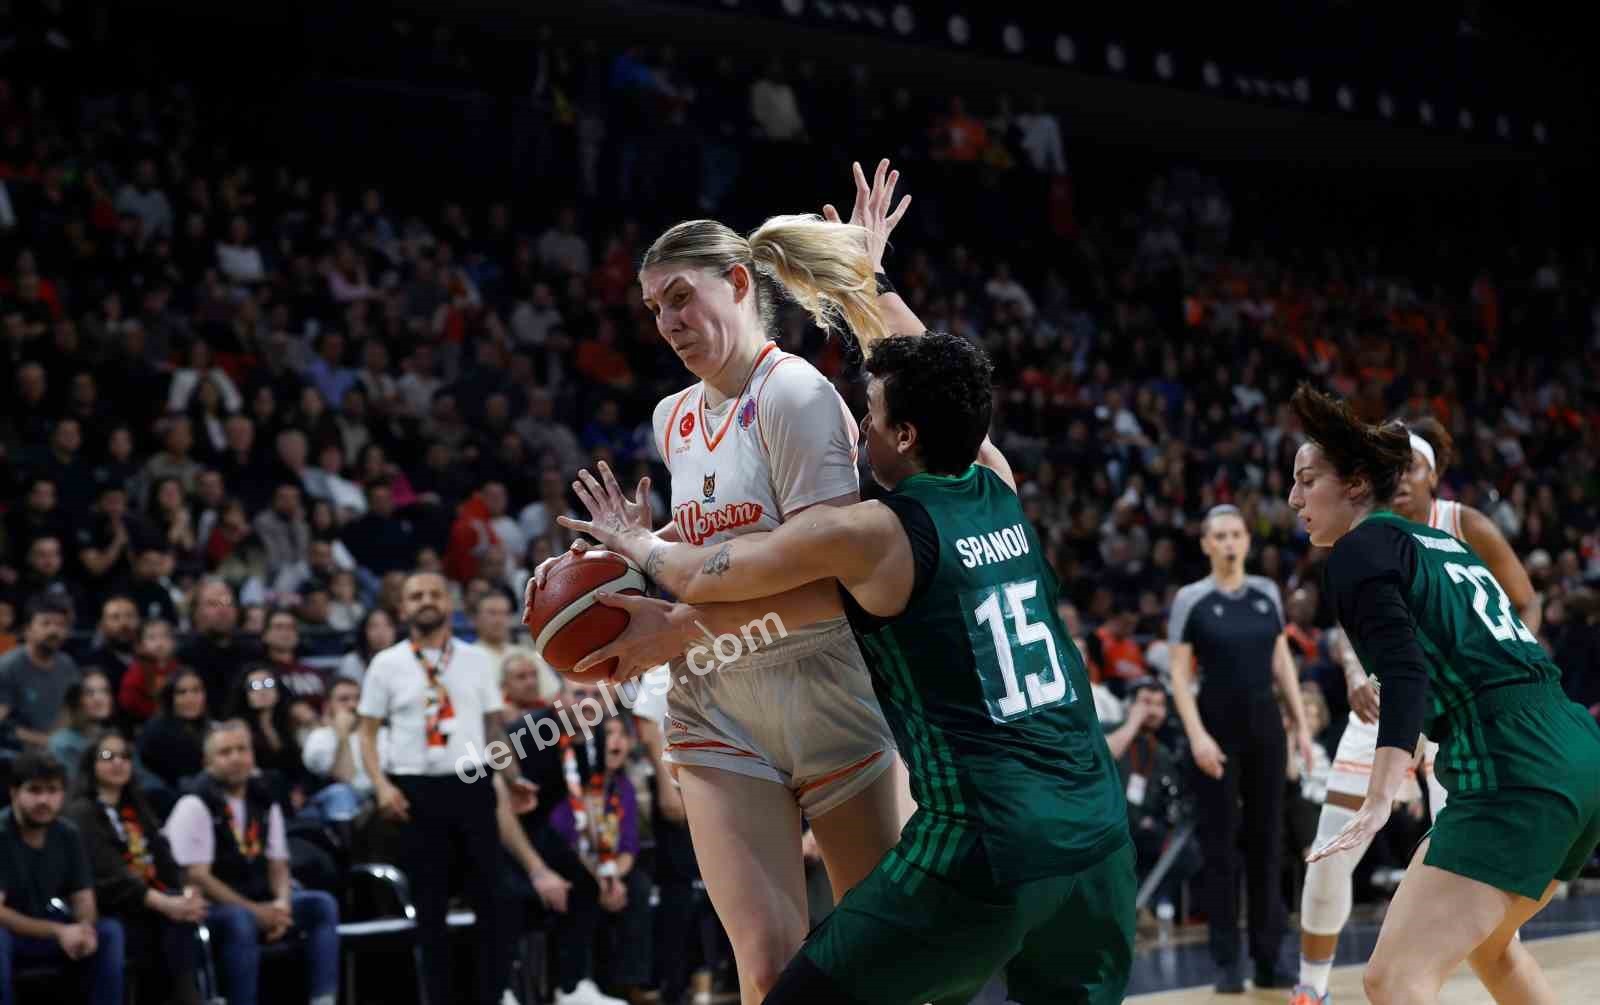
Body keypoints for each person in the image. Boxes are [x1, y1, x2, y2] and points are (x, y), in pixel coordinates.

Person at [555, 332, 1133, 1004]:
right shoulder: (999, 484)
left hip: (987, 840)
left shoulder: (870, 534)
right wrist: (871, 285)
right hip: (1099, 832)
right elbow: (955, 381)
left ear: (907, 435)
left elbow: (705, 577)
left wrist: (636, 543)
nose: (860, 425)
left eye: (872, 412)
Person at [533, 159, 925, 1004]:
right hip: (716, 701)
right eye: (654, 308)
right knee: (765, 968)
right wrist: (616, 564)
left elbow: (824, 583)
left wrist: (670, 626)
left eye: (681, 296)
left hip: (824, 682)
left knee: (891, 961)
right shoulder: (671, 416)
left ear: (740, 283)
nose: (668, 321)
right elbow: (726, 540)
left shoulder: (797, 395)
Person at [1289, 385, 1600, 1005]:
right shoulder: (1441, 542)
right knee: (1493, 948)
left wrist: (1380, 797)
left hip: (1512, 762)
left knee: (1393, 979)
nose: (1294, 499)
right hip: (1575, 748)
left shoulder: (1358, 550)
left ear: (1356, 484)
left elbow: (1406, 673)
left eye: (1307, 481)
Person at [356, 572, 537, 1005]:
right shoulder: (386, 664)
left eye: (435, 593)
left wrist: (511, 777)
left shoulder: (475, 660)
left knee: (493, 901)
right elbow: (366, 733)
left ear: (450, 604)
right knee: (430, 910)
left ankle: (492, 996)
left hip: (472, 784)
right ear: (403, 608)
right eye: (416, 595)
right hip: (415, 791)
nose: (426, 601)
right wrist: (381, 786)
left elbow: (493, 728)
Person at [1165, 504, 1315, 992]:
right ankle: (1227, 961)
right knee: (1221, 845)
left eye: (1236, 534)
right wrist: (1197, 736)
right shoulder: (1191, 599)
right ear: (1206, 544)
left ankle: (1270, 958)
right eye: (1221, 536)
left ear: (1247, 541)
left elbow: (1282, 664)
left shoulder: (1266, 592)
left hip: (1265, 728)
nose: (1230, 542)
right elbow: (1179, 677)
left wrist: (1301, 728)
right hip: (1215, 730)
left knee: (1268, 842)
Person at [162, 721, 340, 1005]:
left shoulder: (264, 798)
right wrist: (256, 913)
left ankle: (323, 999)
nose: (236, 758)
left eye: (242, 749)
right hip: (210, 908)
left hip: (258, 900)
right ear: (207, 762)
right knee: (240, 920)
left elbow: (278, 863)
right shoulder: (195, 803)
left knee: (320, 905)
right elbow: (197, 877)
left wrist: (281, 906)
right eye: (225, 752)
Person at [64, 731, 206, 1005]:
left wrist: (185, 894)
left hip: (154, 903)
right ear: (91, 764)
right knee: (164, 925)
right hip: (111, 905)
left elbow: (166, 862)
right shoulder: (81, 812)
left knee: (185, 919)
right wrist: (167, 904)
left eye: (125, 756)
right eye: (108, 756)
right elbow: (109, 875)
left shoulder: (138, 807)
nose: (118, 762)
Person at [0, 750, 125, 1005]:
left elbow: (84, 899)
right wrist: (59, 931)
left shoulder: (67, 833)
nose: (44, 800)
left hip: (51, 929)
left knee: (109, 932)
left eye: (52, 791)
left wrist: (84, 929)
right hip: (12, 934)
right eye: (34, 790)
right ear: (14, 793)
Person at [0, 595, 82, 755]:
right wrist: (48, 741)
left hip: (60, 746)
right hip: (17, 751)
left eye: (60, 625)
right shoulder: (8, 666)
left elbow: (72, 709)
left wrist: (60, 738)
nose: (54, 630)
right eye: (46, 623)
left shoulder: (68, 665)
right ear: (27, 630)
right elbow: (2, 723)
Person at [48, 670, 116, 781]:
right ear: (75, 700)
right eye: (89, 693)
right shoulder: (63, 744)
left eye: (105, 691)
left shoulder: (112, 737)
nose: (99, 698)